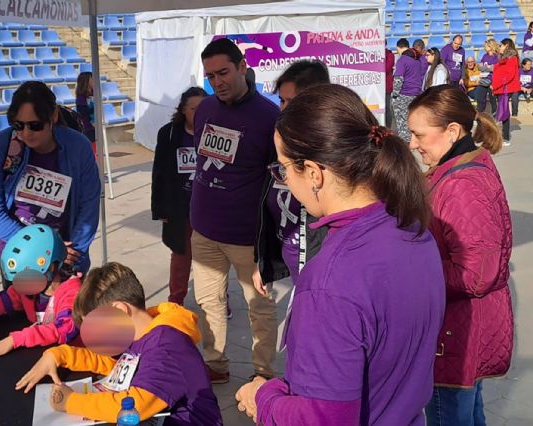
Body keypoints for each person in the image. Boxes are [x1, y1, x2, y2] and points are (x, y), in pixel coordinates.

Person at [235, 84, 445, 425]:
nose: (284, 180)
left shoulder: (331, 281)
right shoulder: (412, 231)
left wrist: (264, 397)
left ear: (315, 173)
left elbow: (324, 418)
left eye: (284, 167)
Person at [407, 85, 513, 426]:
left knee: (450, 415)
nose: (412, 144)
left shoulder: (462, 183)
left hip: (455, 334)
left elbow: (476, 273)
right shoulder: (458, 167)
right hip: (460, 328)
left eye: (418, 134)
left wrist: (412, 271)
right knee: (467, 414)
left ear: (453, 131)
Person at [16, 262, 223, 425]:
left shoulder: (167, 347)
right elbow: (115, 364)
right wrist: (59, 355)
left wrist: (71, 402)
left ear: (120, 310)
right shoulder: (140, 333)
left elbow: (135, 405)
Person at [190, 38, 278, 384]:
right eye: (211, 76)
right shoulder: (206, 109)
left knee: (260, 308)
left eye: (224, 72)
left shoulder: (270, 117)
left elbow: (278, 181)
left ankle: (264, 375)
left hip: (247, 238)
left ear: (243, 67)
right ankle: (215, 365)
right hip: (204, 230)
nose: (217, 82)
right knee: (208, 302)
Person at [0, 81, 101, 287]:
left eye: (35, 125)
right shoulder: (0, 147)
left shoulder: (78, 147)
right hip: (17, 251)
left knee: (65, 317)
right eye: (18, 125)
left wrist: (73, 252)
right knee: (21, 316)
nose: (25, 133)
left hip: (66, 252)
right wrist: (42, 248)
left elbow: (89, 205)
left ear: (53, 116)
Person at [0, 225, 81, 360]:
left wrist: (14, 340)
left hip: (72, 357)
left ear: (51, 267)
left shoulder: (73, 293)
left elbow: (64, 329)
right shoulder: (29, 287)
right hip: (44, 353)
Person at [254, 60, 330, 294]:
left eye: (291, 101)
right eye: (282, 100)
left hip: (321, 281)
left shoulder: (332, 153)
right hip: (296, 272)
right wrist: (265, 263)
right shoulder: (281, 140)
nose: (284, 109)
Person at [151, 87, 208, 305]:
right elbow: (160, 173)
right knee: (181, 257)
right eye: (194, 109)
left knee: (212, 260)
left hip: (209, 209)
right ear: (183, 110)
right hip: (179, 208)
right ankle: (176, 300)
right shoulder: (169, 133)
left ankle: (219, 299)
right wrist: (160, 209)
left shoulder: (217, 132)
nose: (200, 113)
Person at [392, 38, 423, 141]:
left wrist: (395, 95)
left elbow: (398, 79)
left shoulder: (402, 60)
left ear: (398, 48)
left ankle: (406, 146)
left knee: (402, 123)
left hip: (404, 94)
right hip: (416, 94)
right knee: (412, 120)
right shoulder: (417, 59)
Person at [492, 38, 521, 144]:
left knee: (504, 112)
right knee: (503, 112)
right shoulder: (504, 58)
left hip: (505, 88)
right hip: (502, 88)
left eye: (502, 45)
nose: (500, 47)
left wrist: (496, 85)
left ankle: (505, 137)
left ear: (507, 46)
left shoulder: (511, 58)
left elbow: (509, 75)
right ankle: (502, 135)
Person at [75, 71, 96, 155]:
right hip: (87, 129)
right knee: (90, 152)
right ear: (86, 81)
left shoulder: (94, 95)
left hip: (95, 127)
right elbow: (83, 113)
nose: (94, 81)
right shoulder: (81, 98)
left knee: (95, 150)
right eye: (92, 79)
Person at [476, 39, 500, 114]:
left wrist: (486, 67)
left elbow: (495, 69)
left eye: (486, 46)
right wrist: (489, 67)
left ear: (490, 46)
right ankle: (480, 114)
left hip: (493, 81)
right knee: (479, 97)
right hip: (484, 79)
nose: (484, 47)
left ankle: (495, 117)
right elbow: (479, 67)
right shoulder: (485, 56)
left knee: (493, 100)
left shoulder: (497, 57)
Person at [385, 43, 395, 128]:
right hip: (375, 85)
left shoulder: (390, 55)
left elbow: (386, 68)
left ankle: (388, 128)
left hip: (386, 87)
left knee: (387, 109)